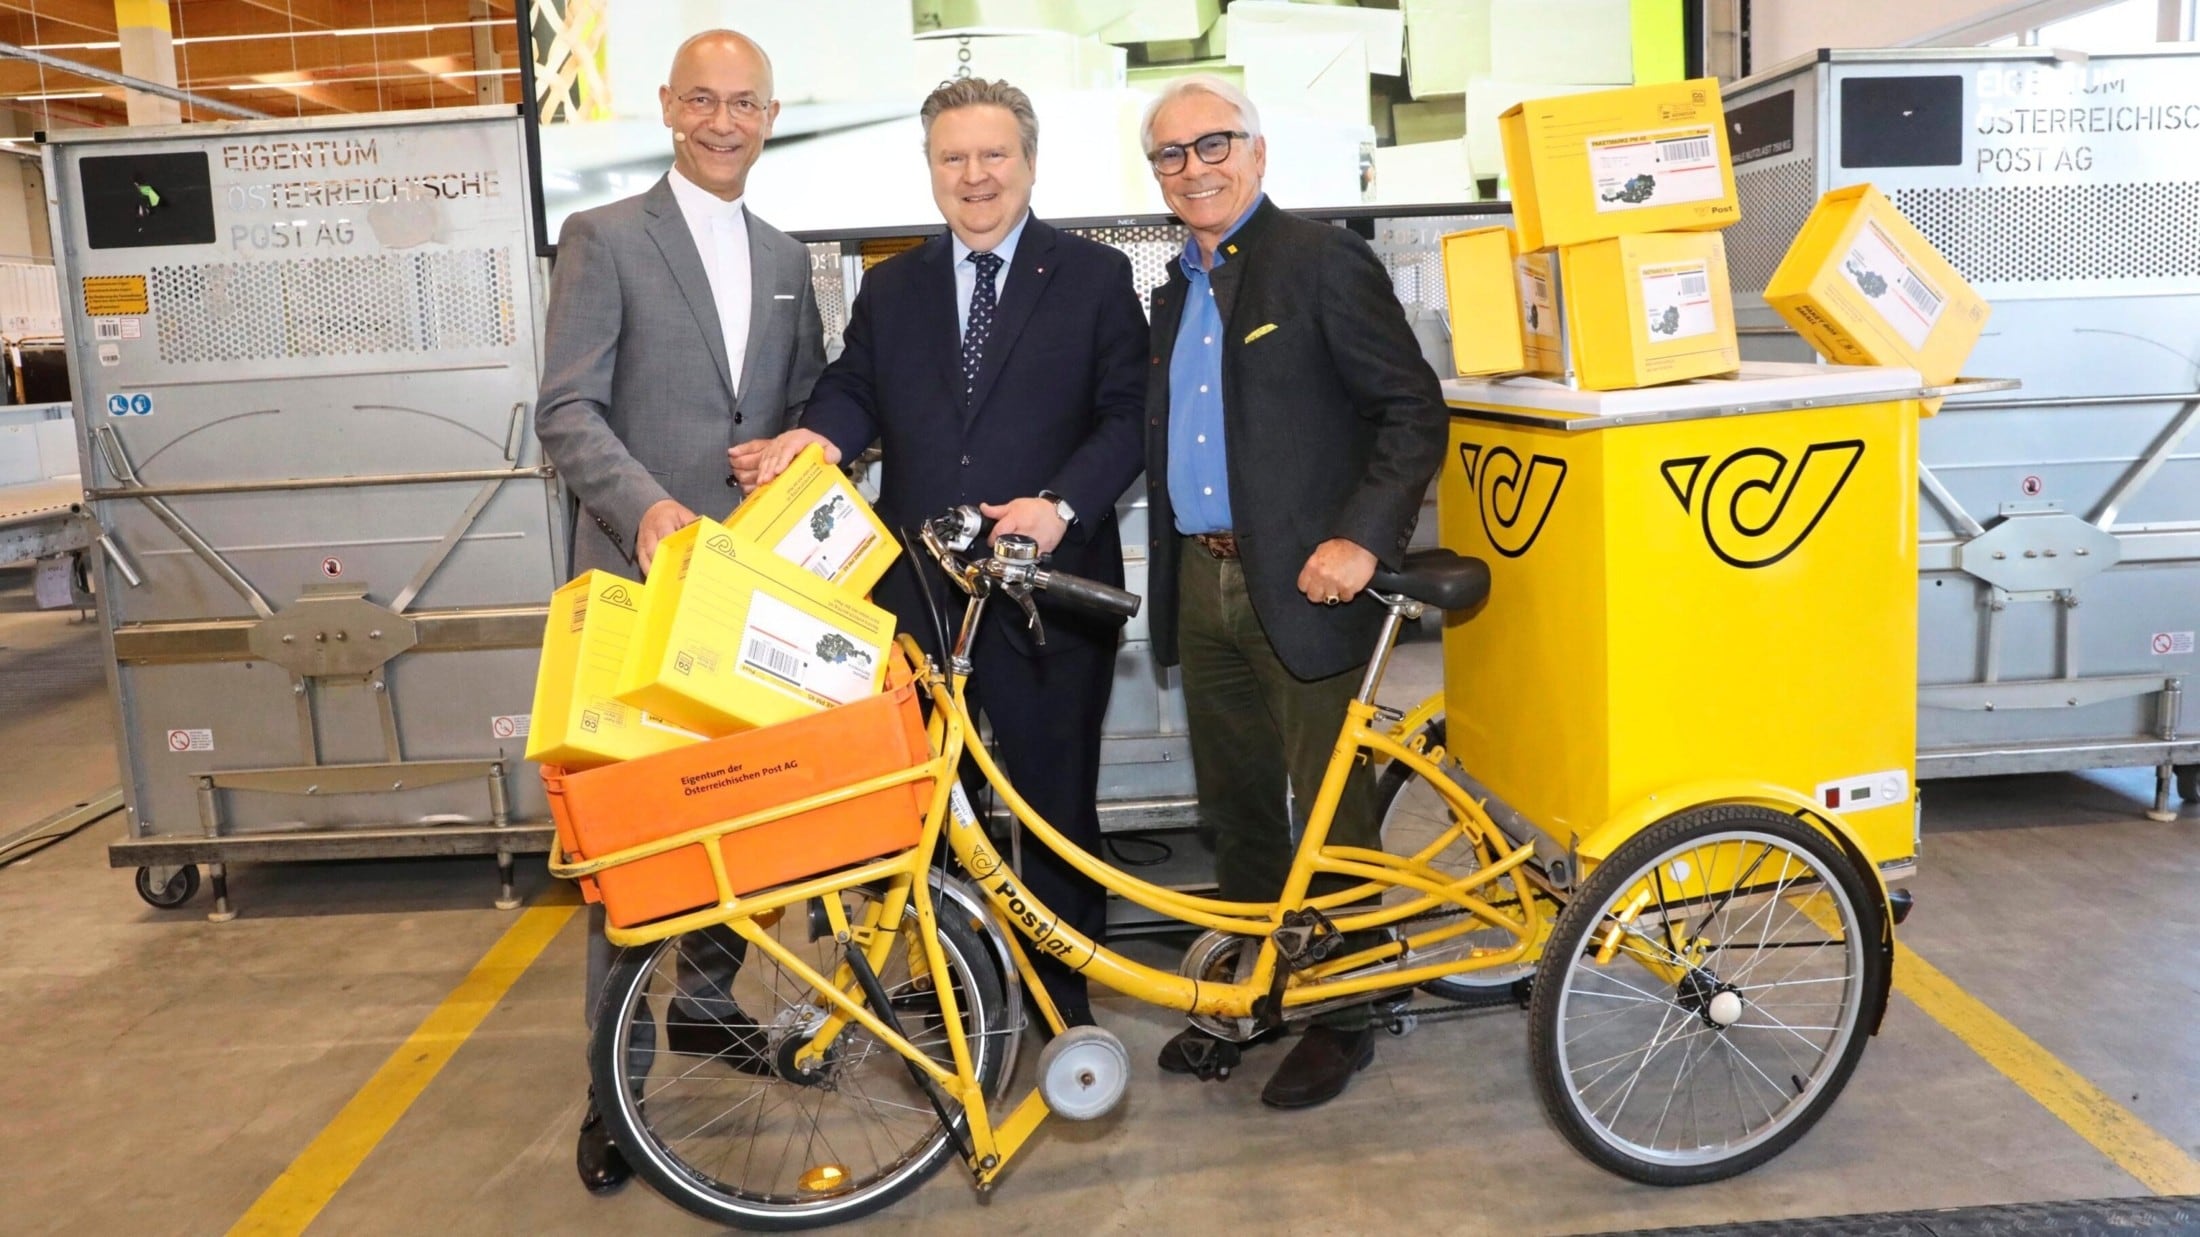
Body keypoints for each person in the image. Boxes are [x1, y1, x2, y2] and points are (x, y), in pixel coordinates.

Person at [735, 77, 1146, 1031]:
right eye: (952, 158)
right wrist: (820, 439)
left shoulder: (1092, 277)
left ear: (1030, 163)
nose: (975, 176)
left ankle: (1058, 1000)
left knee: (1050, 807)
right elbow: (854, 390)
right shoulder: (895, 287)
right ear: (929, 170)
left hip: (1044, 585)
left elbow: (1129, 418)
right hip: (920, 592)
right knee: (930, 806)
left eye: (993, 155)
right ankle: (956, 982)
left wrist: (1058, 504)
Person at [534, 28, 825, 1194]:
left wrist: (798, 455)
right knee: (629, 847)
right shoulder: (603, 238)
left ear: (769, 113)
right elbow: (564, 410)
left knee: (737, 819)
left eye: (743, 102)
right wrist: (648, 508)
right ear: (665, 107)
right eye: (701, 100)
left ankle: (708, 1006)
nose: (721, 121)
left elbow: (799, 405)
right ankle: (618, 1088)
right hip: (636, 589)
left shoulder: (790, 255)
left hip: (747, 605)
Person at [1138, 75, 1448, 1109]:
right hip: (1200, 575)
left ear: (1257, 153)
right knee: (1236, 810)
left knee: (1330, 812)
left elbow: (1413, 411)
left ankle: (1348, 1011)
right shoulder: (1173, 288)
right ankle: (1262, 991)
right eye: (1172, 155)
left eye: (1213, 144)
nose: (1195, 167)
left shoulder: (1319, 261)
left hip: (1309, 586)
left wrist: (1361, 540)